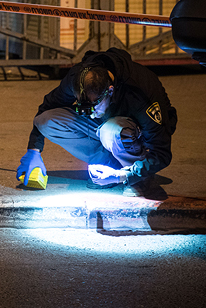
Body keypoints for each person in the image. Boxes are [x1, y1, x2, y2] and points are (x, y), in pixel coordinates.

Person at [16, 47, 177, 199]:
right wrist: (34, 150)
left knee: (112, 130)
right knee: (47, 120)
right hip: (106, 125)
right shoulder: (76, 79)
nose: (89, 113)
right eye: (83, 107)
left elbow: (161, 153)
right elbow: (46, 108)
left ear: (110, 91)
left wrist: (124, 176)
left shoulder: (139, 91)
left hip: (133, 135)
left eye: (93, 106)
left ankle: (137, 177)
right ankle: (108, 164)